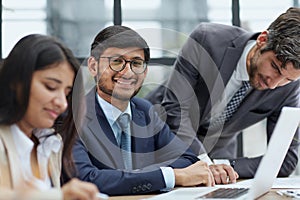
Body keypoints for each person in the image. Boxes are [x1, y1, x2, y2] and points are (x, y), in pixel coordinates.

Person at [71, 25, 239, 196]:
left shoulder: (145, 112)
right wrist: (170, 176)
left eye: (136, 63)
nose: (128, 72)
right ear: (93, 66)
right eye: (117, 62)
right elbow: (85, 179)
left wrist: (130, 178)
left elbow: (187, 160)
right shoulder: (72, 117)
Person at [146, 7, 300, 178]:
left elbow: (285, 160)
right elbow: (175, 111)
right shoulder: (207, 40)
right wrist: (204, 163)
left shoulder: (289, 87)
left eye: (288, 79)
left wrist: (224, 166)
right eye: (275, 68)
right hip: (155, 142)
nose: (274, 85)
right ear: (263, 40)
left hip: (218, 159)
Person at [0, 34, 100, 200]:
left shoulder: (51, 144)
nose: (62, 104)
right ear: (15, 81)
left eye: (67, 93)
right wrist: (59, 196)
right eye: (51, 87)